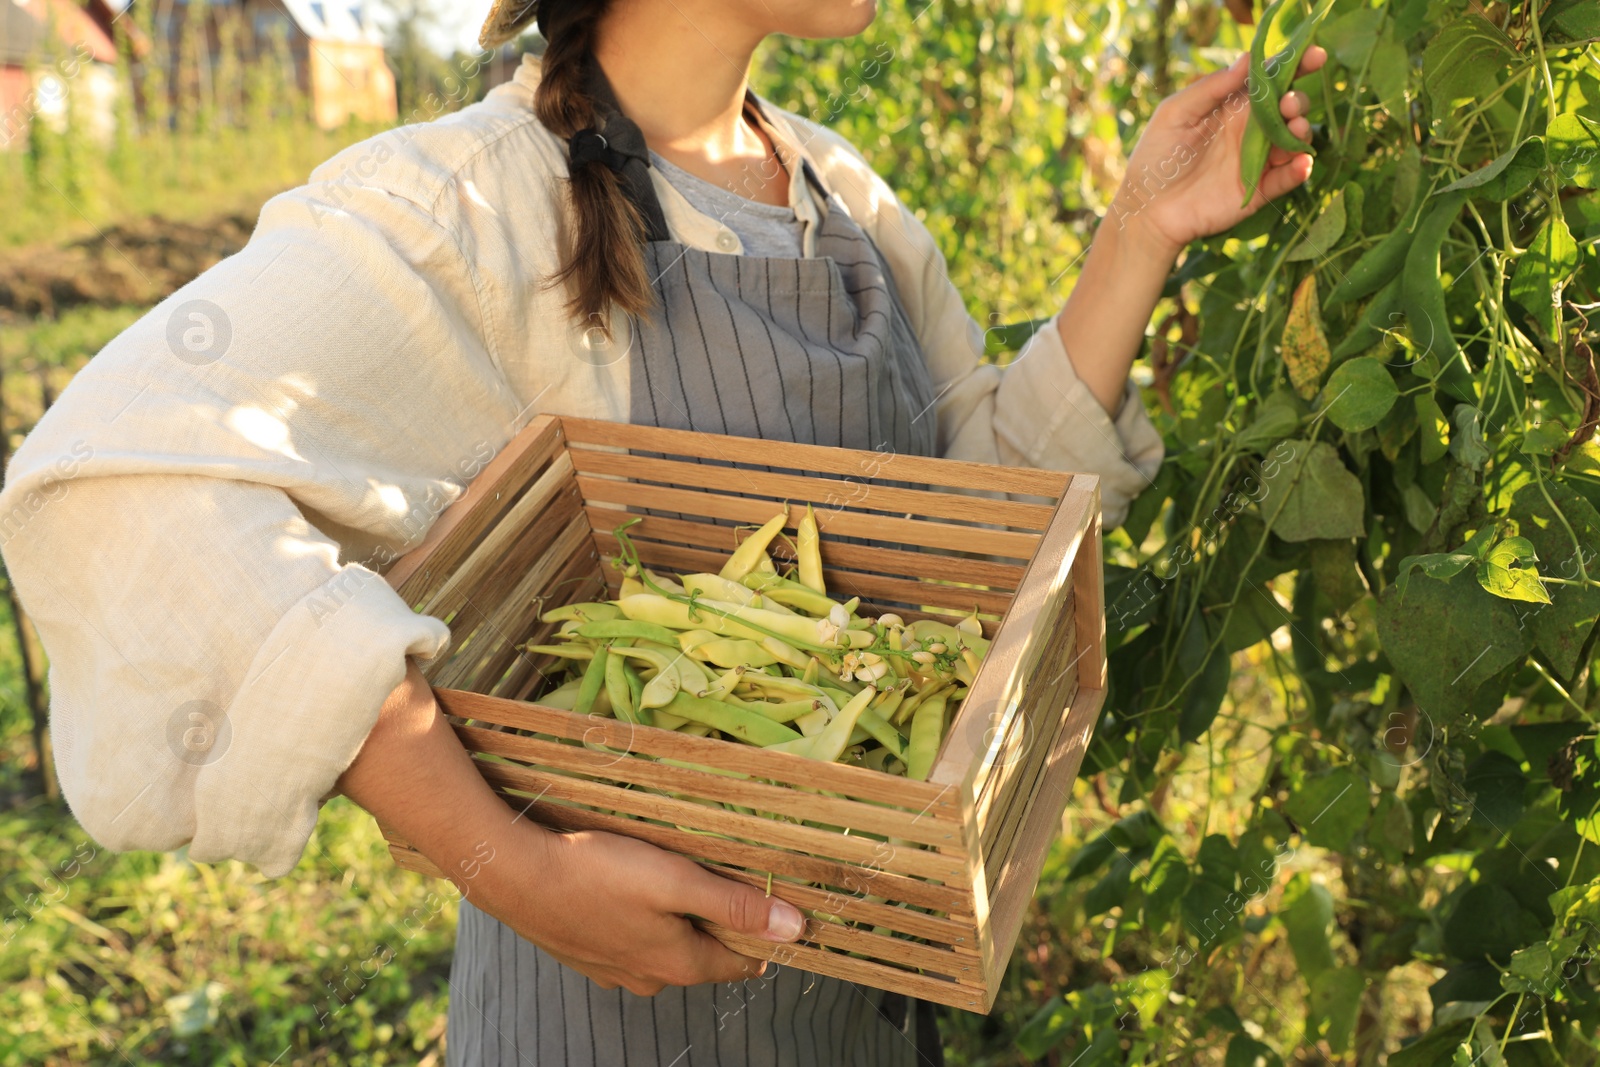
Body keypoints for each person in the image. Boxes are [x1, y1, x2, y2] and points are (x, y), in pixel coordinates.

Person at [0, 0, 1326, 1062]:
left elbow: (973, 518)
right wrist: (508, 864)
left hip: (860, 1001)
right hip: (607, 1025)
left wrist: (1142, 230)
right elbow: (114, 480)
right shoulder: (469, 203)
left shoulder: (843, 196)